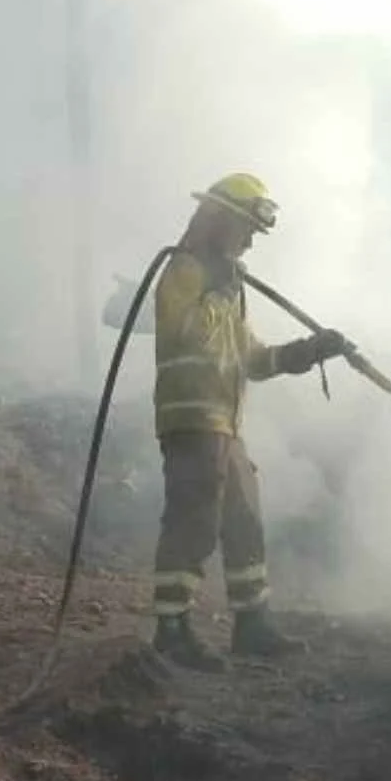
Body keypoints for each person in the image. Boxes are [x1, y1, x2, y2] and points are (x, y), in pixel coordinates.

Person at [148, 173, 349, 672]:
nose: (251, 241)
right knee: (195, 520)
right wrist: (217, 291)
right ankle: (171, 629)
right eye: (247, 229)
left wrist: (309, 352)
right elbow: (184, 332)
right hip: (191, 419)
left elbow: (252, 359)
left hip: (224, 423)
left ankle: (251, 624)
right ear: (221, 220)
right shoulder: (184, 271)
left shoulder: (225, 282)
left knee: (244, 519)